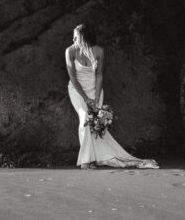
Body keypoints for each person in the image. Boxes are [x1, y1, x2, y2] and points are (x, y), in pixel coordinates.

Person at [65, 23, 158, 169]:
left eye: (76, 37)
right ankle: (85, 162)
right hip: (77, 91)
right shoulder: (70, 51)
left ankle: (94, 159)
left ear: (83, 38)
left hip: (95, 90)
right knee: (85, 119)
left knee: (96, 123)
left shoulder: (99, 51)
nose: (73, 39)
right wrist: (86, 98)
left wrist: (95, 98)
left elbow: (100, 75)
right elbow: (73, 78)